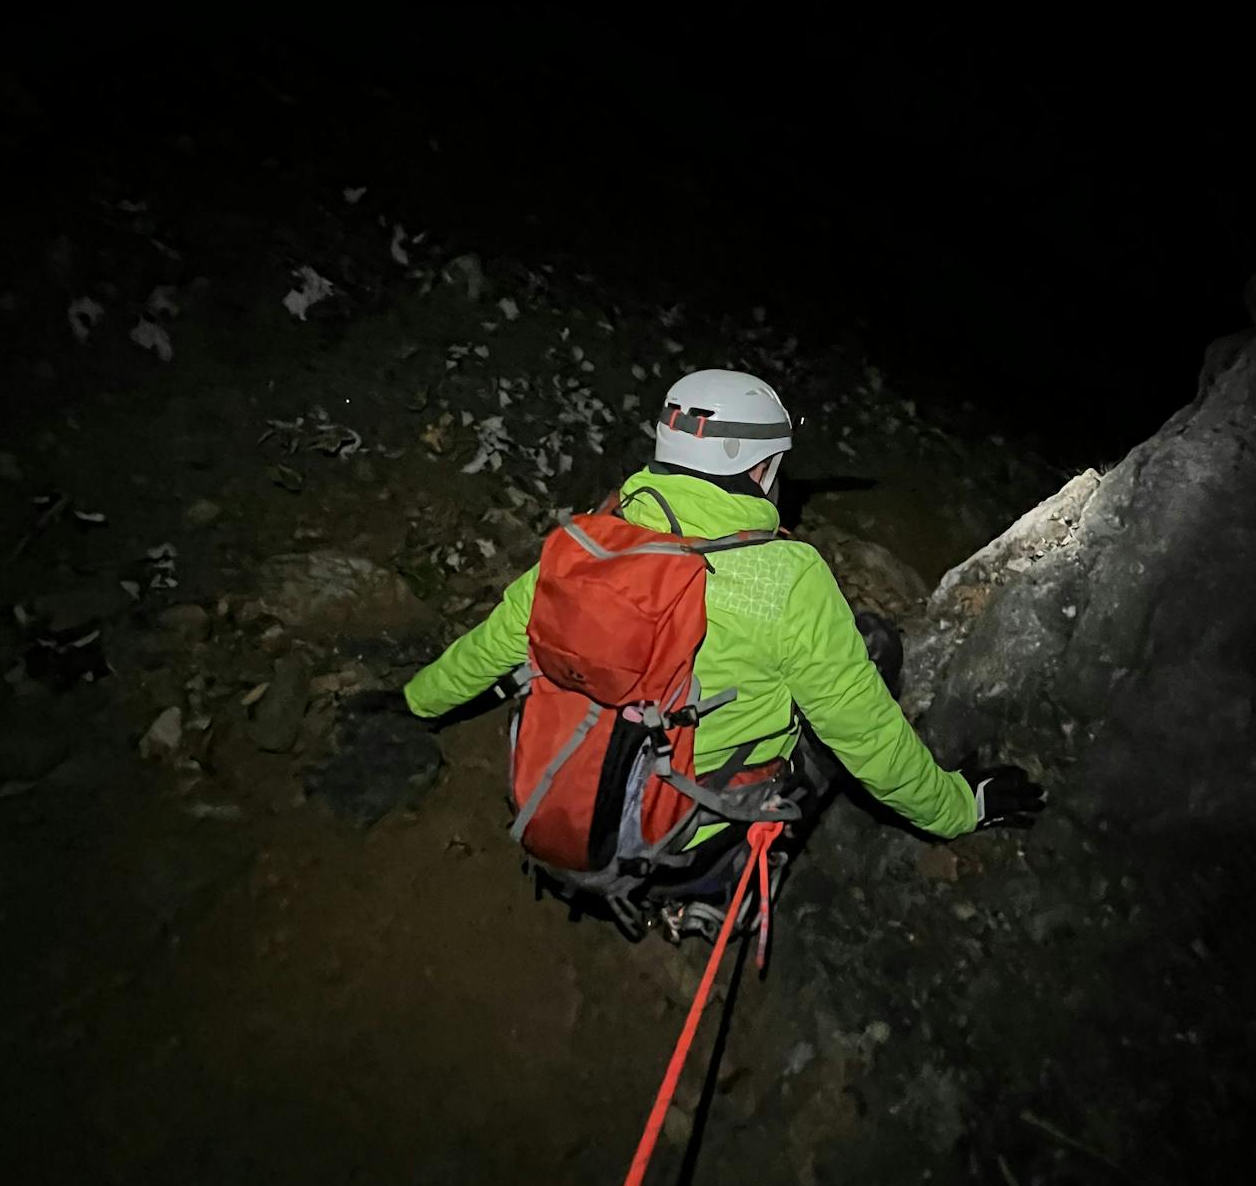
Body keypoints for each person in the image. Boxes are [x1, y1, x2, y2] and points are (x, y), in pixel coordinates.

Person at [391, 369, 1043, 939]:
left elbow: (490, 646)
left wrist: (411, 702)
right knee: (873, 649)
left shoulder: (590, 543)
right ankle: (715, 896)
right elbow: (868, 740)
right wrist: (961, 808)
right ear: (760, 469)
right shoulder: (787, 578)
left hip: (562, 809)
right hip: (689, 844)